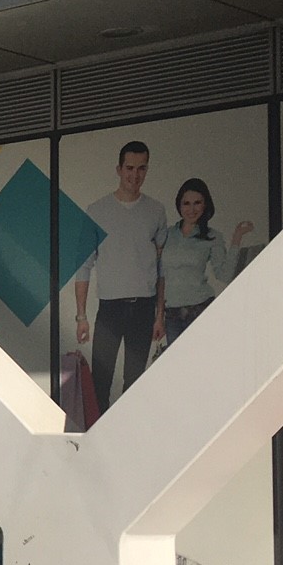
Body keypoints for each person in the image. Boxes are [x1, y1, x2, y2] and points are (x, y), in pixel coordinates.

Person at [74, 140, 166, 415]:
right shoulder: (97, 211)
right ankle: (101, 440)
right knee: (101, 380)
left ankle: (128, 438)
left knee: (135, 381)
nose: (134, 175)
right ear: (119, 169)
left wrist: (159, 314)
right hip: (111, 307)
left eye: (141, 168)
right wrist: (81, 316)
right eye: (129, 168)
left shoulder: (156, 211)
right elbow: (83, 266)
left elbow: (162, 268)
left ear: (146, 170)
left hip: (144, 307)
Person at [156, 177, 255, 346]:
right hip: (172, 315)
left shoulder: (212, 236)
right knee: (178, 367)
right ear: (179, 206)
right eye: (186, 203)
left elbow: (224, 274)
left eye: (197, 203)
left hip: (200, 310)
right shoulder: (166, 235)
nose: (192, 209)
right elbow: (161, 278)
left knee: (201, 365)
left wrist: (236, 238)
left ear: (205, 205)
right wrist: (159, 317)